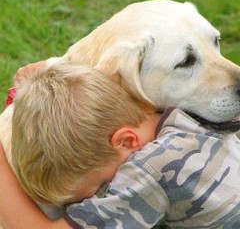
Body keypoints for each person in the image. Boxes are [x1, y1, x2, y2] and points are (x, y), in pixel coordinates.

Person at [1, 63, 240, 228]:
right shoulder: (181, 114)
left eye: (101, 187)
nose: (97, 200)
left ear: (126, 141)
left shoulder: (150, 171)